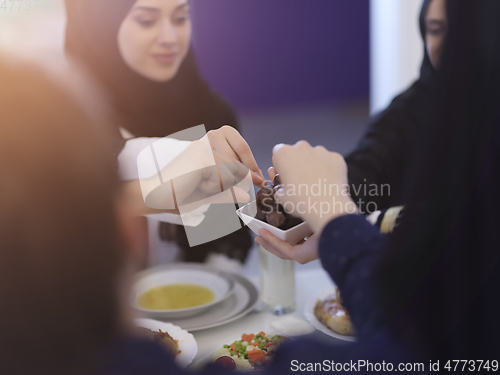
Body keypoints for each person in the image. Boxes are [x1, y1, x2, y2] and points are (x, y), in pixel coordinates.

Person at [64, 0, 260, 266]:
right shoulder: (61, 122)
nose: (170, 38)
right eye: (146, 21)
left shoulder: (210, 116)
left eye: (180, 18)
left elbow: (223, 242)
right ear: (102, 24)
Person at [346, 0, 447, 214]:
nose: (449, 42)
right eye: (435, 30)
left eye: (461, 29)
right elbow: (364, 171)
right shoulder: (405, 113)